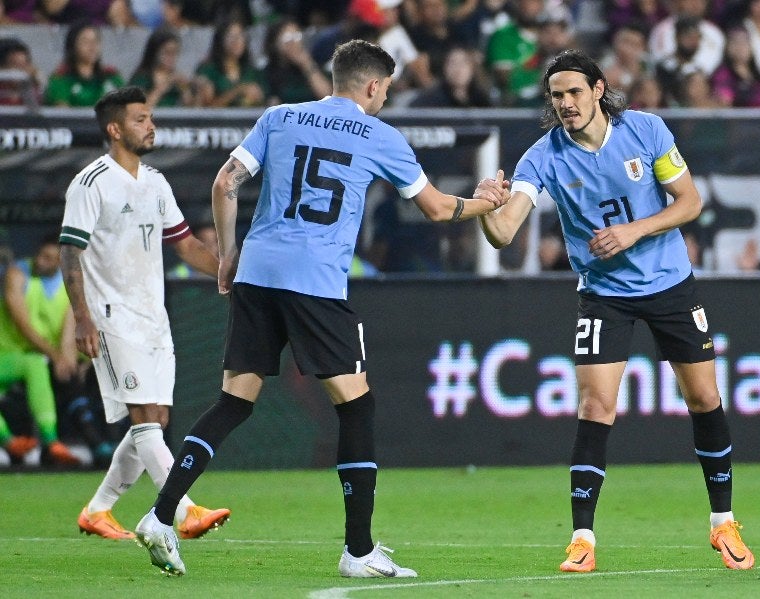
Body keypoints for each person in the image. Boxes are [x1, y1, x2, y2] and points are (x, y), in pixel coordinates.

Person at [133, 39, 507, 578]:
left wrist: (227, 254)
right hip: (316, 283)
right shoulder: (381, 135)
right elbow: (437, 209)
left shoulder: (279, 115)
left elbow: (225, 181)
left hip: (258, 273)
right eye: (386, 89)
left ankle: (162, 514)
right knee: (356, 408)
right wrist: (485, 202)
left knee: (234, 401)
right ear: (375, 86)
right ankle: (358, 551)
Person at [477, 49, 755, 573]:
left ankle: (723, 523)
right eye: (556, 95)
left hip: (671, 284)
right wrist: (487, 208)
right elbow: (504, 233)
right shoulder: (543, 157)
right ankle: (582, 539)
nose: (565, 104)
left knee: (704, 398)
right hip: (604, 294)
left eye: (574, 92)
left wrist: (634, 230)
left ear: (599, 90)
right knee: (595, 406)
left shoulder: (646, 130)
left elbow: (689, 202)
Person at [59, 86, 231, 541]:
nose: (150, 125)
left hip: (154, 316)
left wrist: (231, 277)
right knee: (145, 419)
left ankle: (98, 510)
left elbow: (188, 243)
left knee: (154, 418)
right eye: (139, 119)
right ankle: (184, 510)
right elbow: (69, 252)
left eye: (150, 117)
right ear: (114, 129)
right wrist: (81, 317)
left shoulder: (155, 181)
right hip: (111, 316)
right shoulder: (91, 183)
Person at [0, 237, 81, 467]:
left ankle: (51, 443)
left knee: (37, 364)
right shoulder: (17, 274)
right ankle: (9, 441)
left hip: (26, 357)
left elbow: (69, 332)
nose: (43, 261)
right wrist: (56, 357)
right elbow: (23, 325)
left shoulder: (67, 286)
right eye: (42, 255)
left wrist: (67, 360)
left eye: (51, 258)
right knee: (35, 363)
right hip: (5, 353)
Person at [44, 21, 124, 107]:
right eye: (85, 41)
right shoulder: (61, 78)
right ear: (73, 45)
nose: (92, 46)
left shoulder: (112, 76)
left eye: (96, 41)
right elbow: (62, 115)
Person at [194, 19, 267, 108]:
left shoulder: (251, 71)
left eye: (241, 36)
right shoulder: (208, 69)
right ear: (221, 40)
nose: (237, 41)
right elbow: (207, 107)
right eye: (231, 36)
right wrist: (238, 90)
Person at [128, 27, 196, 108]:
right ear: (155, 52)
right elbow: (140, 109)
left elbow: (190, 110)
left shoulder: (177, 79)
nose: (172, 58)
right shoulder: (142, 78)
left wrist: (185, 90)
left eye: (175, 53)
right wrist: (162, 88)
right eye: (167, 52)